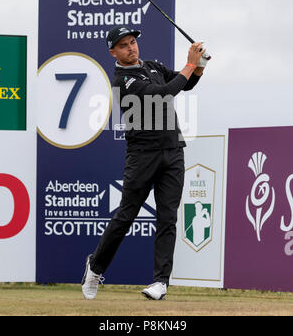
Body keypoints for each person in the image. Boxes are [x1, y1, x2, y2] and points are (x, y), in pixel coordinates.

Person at [82, 25, 209, 300]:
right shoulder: (122, 81)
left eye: (133, 42)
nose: (131, 47)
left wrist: (198, 67)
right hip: (143, 155)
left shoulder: (152, 65)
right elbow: (164, 94)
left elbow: (184, 83)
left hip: (173, 150)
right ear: (113, 51)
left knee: (168, 217)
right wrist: (190, 62)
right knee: (126, 216)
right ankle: (95, 267)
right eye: (124, 45)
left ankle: (160, 282)